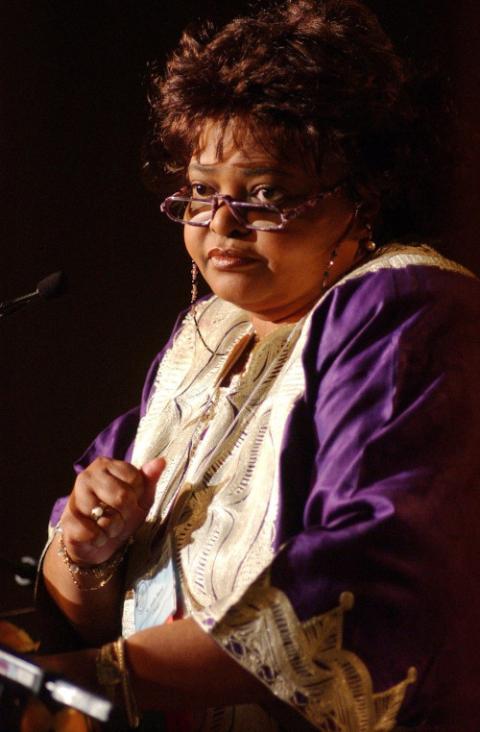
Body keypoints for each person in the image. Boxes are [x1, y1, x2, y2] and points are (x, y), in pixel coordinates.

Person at [36, 1, 480, 730]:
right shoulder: (205, 339)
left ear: (364, 196)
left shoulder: (404, 306)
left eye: (265, 193)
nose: (221, 222)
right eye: (203, 191)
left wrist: (96, 680)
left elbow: (365, 587)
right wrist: (86, 552)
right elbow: (74, 596)